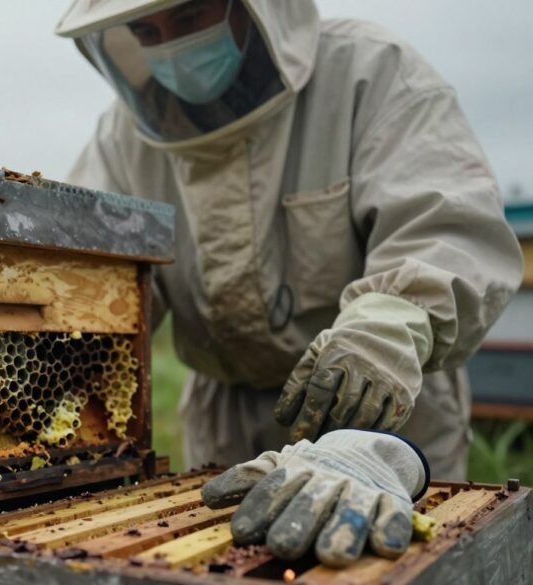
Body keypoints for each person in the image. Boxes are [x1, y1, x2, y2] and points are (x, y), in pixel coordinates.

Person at [55, 0, 523, 565]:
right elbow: (96, 281)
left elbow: (448, 228)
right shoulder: (121, 137)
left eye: (190, 17)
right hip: (224, 416)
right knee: (220, 563)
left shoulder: (373, 71)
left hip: (380, 411)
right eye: (146, 29)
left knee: (370, 564)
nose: (170, 45)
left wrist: (387, 327)